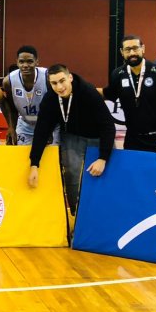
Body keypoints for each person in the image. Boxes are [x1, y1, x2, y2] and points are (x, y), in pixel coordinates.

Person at [28, 64, 116, 218]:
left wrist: (103, 158)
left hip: (98, 136)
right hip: (72, 136)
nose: (60, 87)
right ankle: (77, 217)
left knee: (106, 173)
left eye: (62, 81)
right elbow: (41, 131)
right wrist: (34, 163)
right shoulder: (50, 99)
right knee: (72, 175)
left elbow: (108, 126)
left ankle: (107, 215)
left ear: (70, 77)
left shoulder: (89, 92)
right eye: (54, 83)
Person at [101, 34, 156, 159]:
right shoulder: (117, 75)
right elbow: (107, 94)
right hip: (134, 140)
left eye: (135, 48)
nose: (132, 52)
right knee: (135, 178)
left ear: (143, 48)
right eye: (128, 50)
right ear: (122, 52)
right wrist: (78, 89)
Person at [2, 45, 52, 145]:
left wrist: (49, 129)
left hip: (47, 123)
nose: (25, 65)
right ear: (17, 62)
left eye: (29, 61)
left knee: (51, 156)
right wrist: (11, 128)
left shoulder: (47, 77)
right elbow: (12, 108)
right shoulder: (9, 81)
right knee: (20, 156)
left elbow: (55, 106)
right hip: (25, 124)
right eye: (21, 62)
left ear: (37, 62)